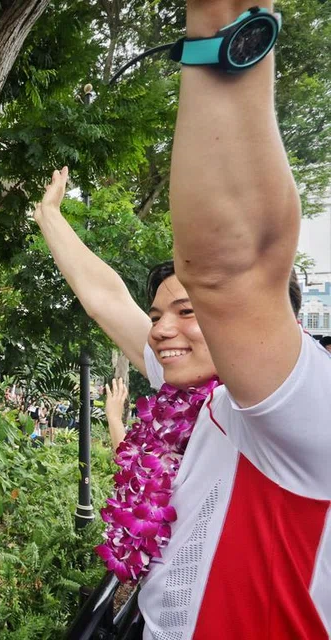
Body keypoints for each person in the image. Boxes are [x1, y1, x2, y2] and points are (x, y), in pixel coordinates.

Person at [34, 2, 330, 632]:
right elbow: (106, 298)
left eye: (189, 312)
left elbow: (233, 272)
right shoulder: (184, 387)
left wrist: (223, 27)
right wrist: (49, 218)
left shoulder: (303, 414)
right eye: (159, 313)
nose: (162, 329)